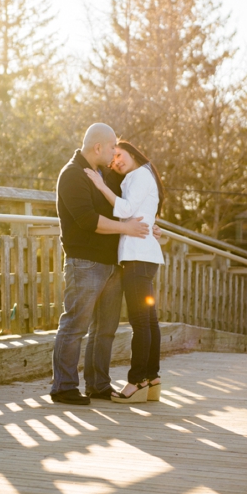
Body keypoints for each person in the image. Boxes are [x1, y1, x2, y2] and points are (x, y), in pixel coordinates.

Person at [51, 124, 150, 406]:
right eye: (110, 149)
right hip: (84, 263)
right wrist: (127, 230)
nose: (113, 155)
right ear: (98, 147)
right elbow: (88, 220)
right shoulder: (71, 175)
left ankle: (98, 385)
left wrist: (147, 227)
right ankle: (64, 386)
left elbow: (127, 207)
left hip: (111, 263)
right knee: (74, 326)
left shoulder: (103, 175)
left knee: (105, 330)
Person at [85, 140, 166, 403]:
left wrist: (100, 185)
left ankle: (137, 381)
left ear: (131, 152)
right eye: (113, 160)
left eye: (119, 155)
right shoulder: (141, 176)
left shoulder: (139, 175)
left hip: (137, 257)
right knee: (149, 320)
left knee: (140, 322)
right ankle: (152, 377)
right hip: (143, 256)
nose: (116, 161)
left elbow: (127, 209)